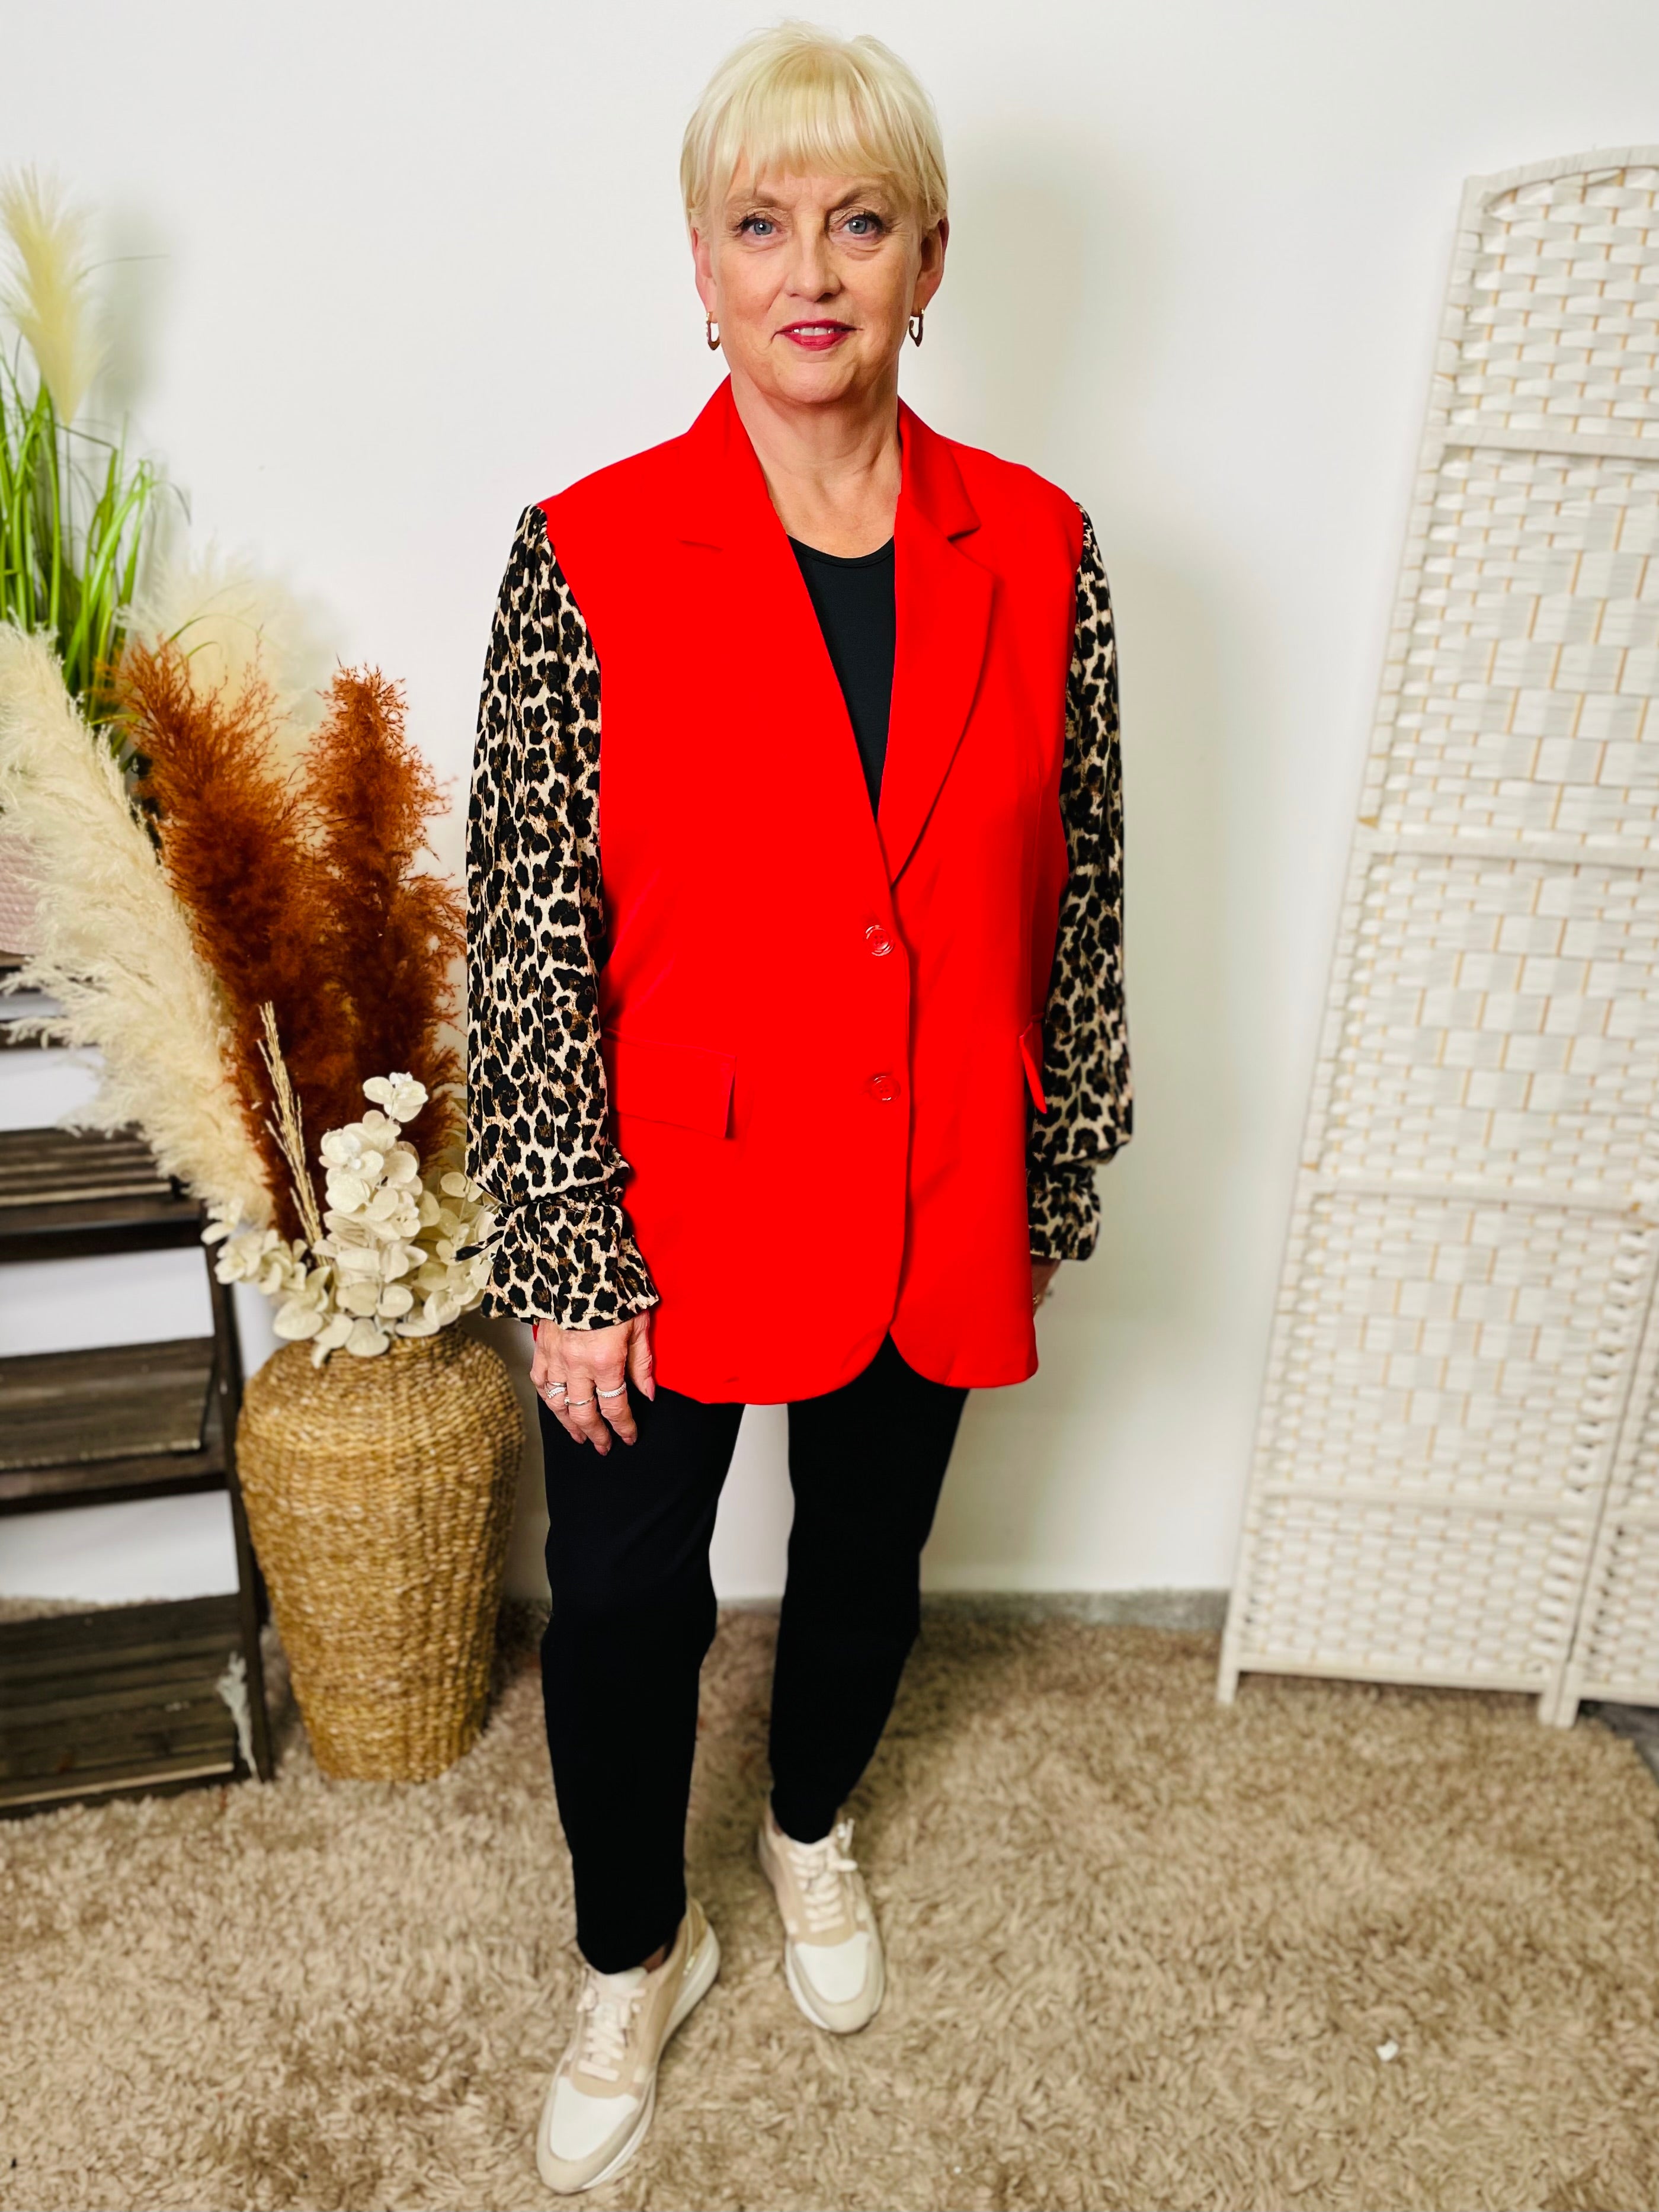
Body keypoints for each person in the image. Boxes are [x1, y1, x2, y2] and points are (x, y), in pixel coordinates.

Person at [465, 21, 1130, 2195]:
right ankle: (629, 1954)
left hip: (938, 1163)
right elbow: (528, 928)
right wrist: (568, 1252)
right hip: (668, 1197)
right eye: (764, 224)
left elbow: (1083, 888)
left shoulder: (1044, 548)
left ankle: (809, 1821)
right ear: (703, 267)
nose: (812, 269)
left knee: (867, 1564)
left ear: (931, 259)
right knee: (626, 1607)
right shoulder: (585, 552)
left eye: (860, 222)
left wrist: (1050, 1169)